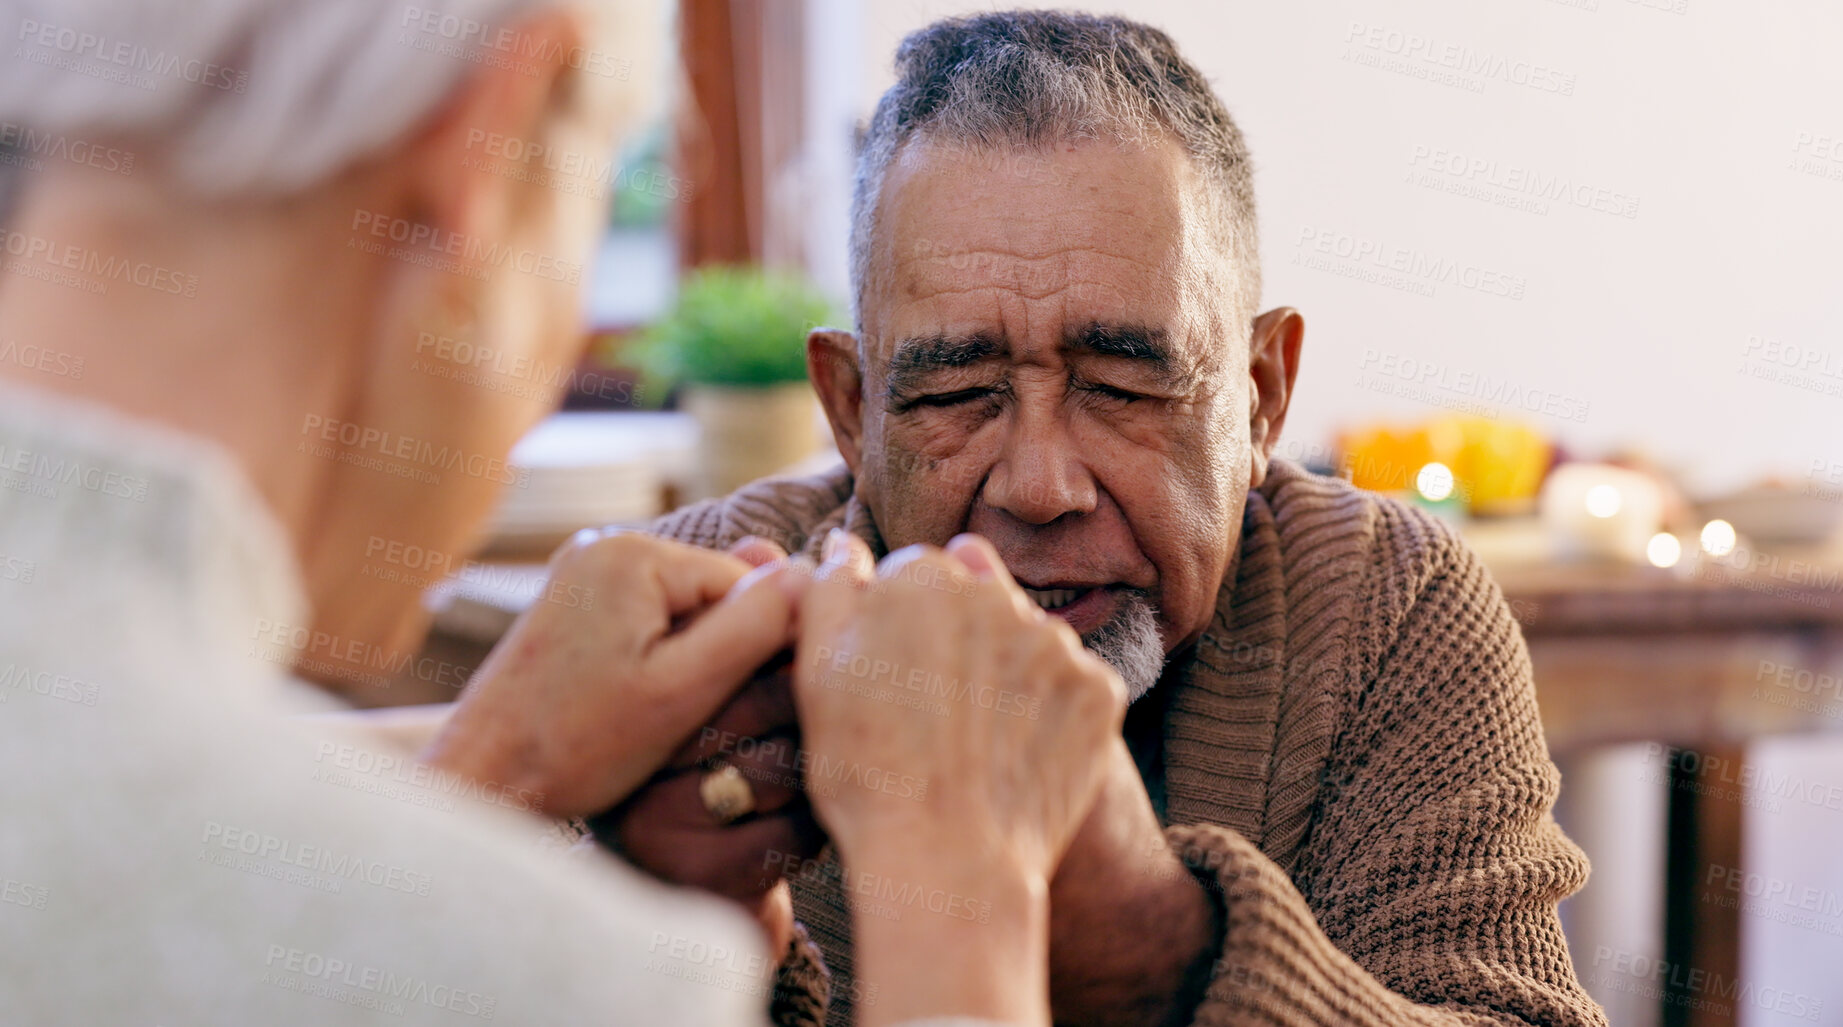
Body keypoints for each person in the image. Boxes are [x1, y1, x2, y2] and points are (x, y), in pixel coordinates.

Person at [0, 2, 1120, 1025]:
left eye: (1122, 386)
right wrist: (965, 889)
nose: (1039, 483)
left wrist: (496, 762)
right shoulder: (564, 982)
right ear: (485, 147)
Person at [625, 10, 1611, 1027]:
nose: (1042, 485)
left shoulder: (1385, 609)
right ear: (852, 408)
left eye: (1123, 388)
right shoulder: (712, 618)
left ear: (1261, 395)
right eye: (958, 391)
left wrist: (1146, 930)